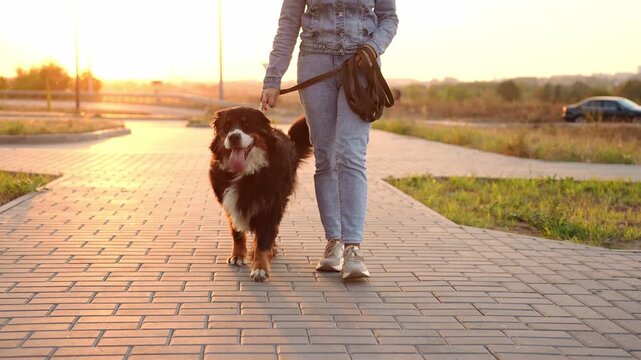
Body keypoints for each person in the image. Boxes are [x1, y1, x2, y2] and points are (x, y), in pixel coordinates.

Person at [260, 0, 398, 280]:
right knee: (325, 156)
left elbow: (389, 18)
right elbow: (288, 23)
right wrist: (273, 79)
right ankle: (333, 242)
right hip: (314, 64)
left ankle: (353, 248)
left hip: (361, 64)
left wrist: (374, 46)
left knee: (350, 152)